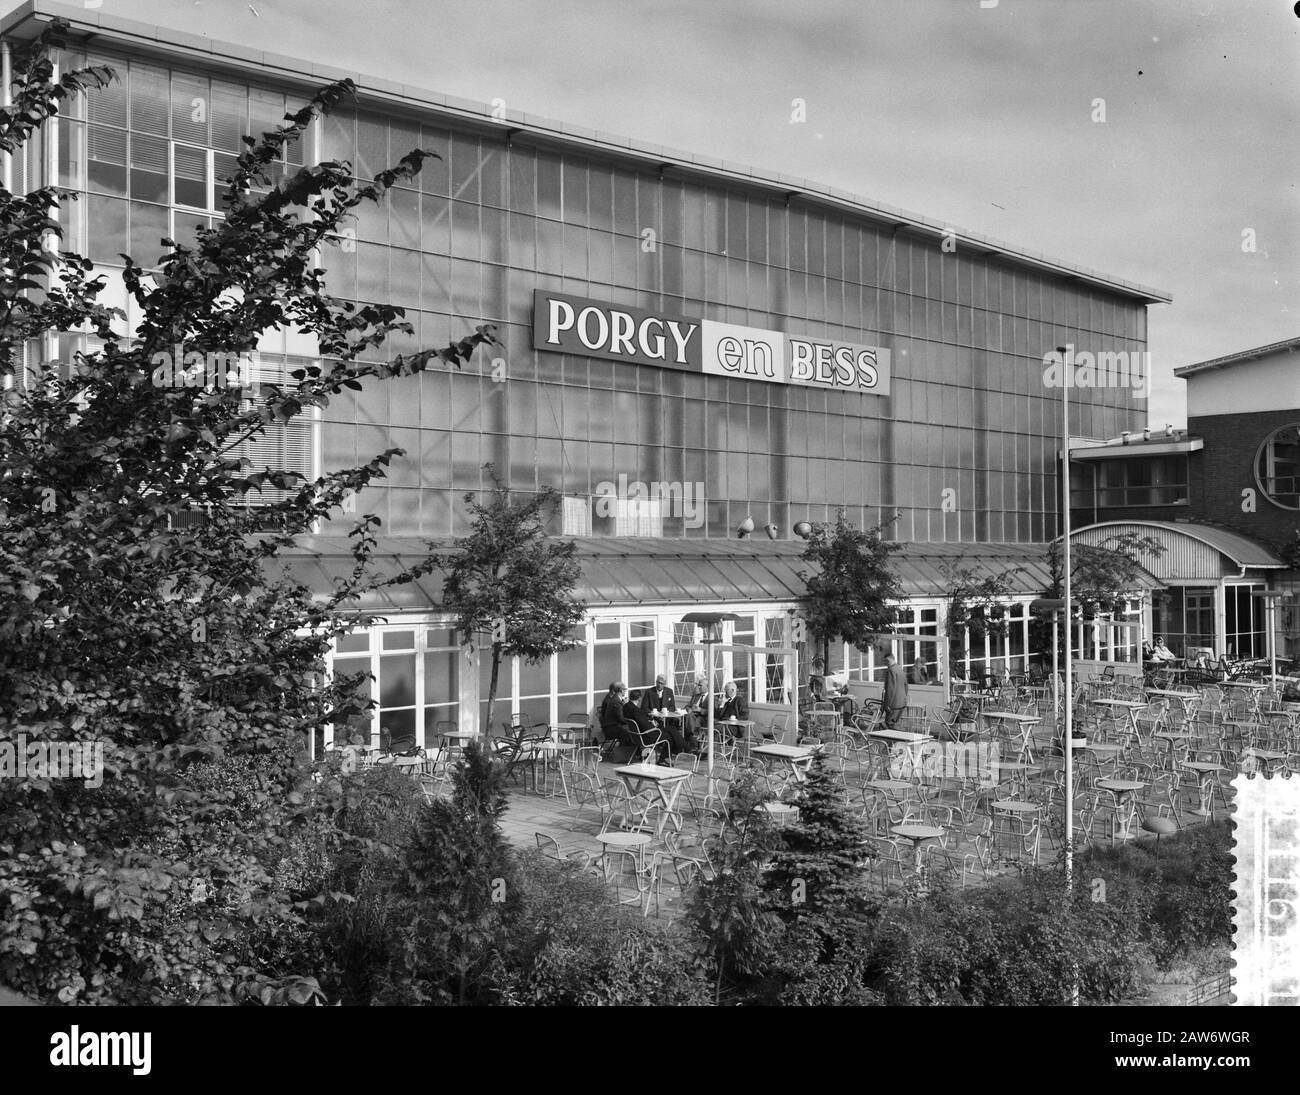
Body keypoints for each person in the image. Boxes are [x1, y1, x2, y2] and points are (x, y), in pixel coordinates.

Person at [643, 673, 695, 750]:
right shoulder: (649, 692)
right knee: (667, 727)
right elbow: (644, 707)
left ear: (665, 684)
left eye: (661, 683)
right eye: (658, 682)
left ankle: (674, 746)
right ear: (656, 682)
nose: (659, 685)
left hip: (667, 717)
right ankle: (672, 746)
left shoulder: (669, 691)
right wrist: (654, 713)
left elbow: (672, 706)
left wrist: (665, 712)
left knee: (676, 721)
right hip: (654, 718)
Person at [626, 688, 683, 758]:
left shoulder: (626, 707)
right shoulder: (636, 711)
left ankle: (683, 747)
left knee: (671, 729)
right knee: (669, 736)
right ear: (639, 698)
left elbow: (641, 722)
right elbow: (645, 725)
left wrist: (650, 721)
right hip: (646, 736)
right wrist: (654, 726)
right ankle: (663, 758)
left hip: (635, 735)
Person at [882, 652, 908, 729]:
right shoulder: (899, 668)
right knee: (895, 725)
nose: (885, 664)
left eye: (885, 662)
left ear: (888, 660)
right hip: (901, 702)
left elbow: (890, 689)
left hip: (893, 704)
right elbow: (906, 685)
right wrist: (903, 697)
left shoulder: (891, 670)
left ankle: (889, 741)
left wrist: (887, 704)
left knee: (889, 725)